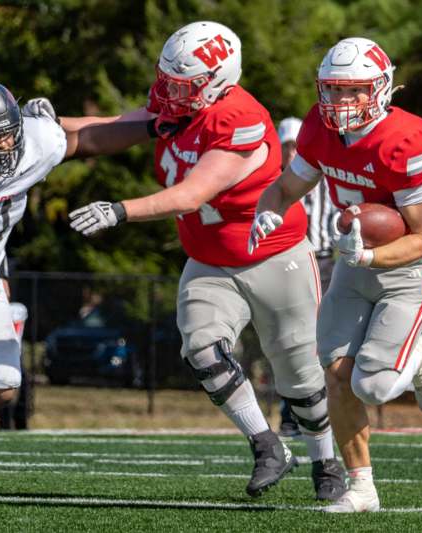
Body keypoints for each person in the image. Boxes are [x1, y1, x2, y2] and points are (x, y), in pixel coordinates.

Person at [66, 21, 345, 501]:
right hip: (210, 259)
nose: (170, 93)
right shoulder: (181, 105)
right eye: (169, 80)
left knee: (297, 373)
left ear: (219, 79)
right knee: (202, 350)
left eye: (184, 84)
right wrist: (37, 129)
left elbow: (190, 194)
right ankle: (266, 445)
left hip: (273, 255)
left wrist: (119, 210)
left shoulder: (241, 119)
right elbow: (105, 131)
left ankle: (326, 461)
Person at [0, 76, 152, 499]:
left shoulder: (35, 142)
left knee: (1, 389)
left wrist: (153, 127)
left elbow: (91, 139)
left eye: (8, 136)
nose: (3, 148)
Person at [250, 37, 422, 512]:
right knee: (336, 374)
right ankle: (362, 488)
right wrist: (268, 211)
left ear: (381, 89)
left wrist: (367, 259)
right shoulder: (318, 128)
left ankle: (419, 354)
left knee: (372, 385)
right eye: (333, 90)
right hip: (353, 264)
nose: (340, 102)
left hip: (409, 272)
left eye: (353, 91)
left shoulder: (408, 140)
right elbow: (286, 187)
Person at [276, 117, 339, 438]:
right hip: (287, 265)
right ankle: (290, 414)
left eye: (295, 146)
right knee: (289, 340)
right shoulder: (276, 184)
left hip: (324, 264)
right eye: (286, 147)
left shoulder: (327, 181)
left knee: (320, 341)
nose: (291, 153)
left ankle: (319, 412)